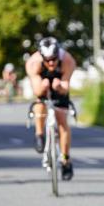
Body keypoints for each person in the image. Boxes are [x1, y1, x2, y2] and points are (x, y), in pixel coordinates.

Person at [24, 37, 76, 179]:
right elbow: (37, 91)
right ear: (42, 58)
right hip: (42, 85)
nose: (51, 62)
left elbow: (65, 87)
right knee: (40, 104)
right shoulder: (33, 63)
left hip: (59, 85)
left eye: (54, 59)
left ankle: (66, 159)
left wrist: (59, 86)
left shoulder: (67, 61)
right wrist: (43, 86)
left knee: (62, 121)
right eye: (48, 60)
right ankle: (39, 134)